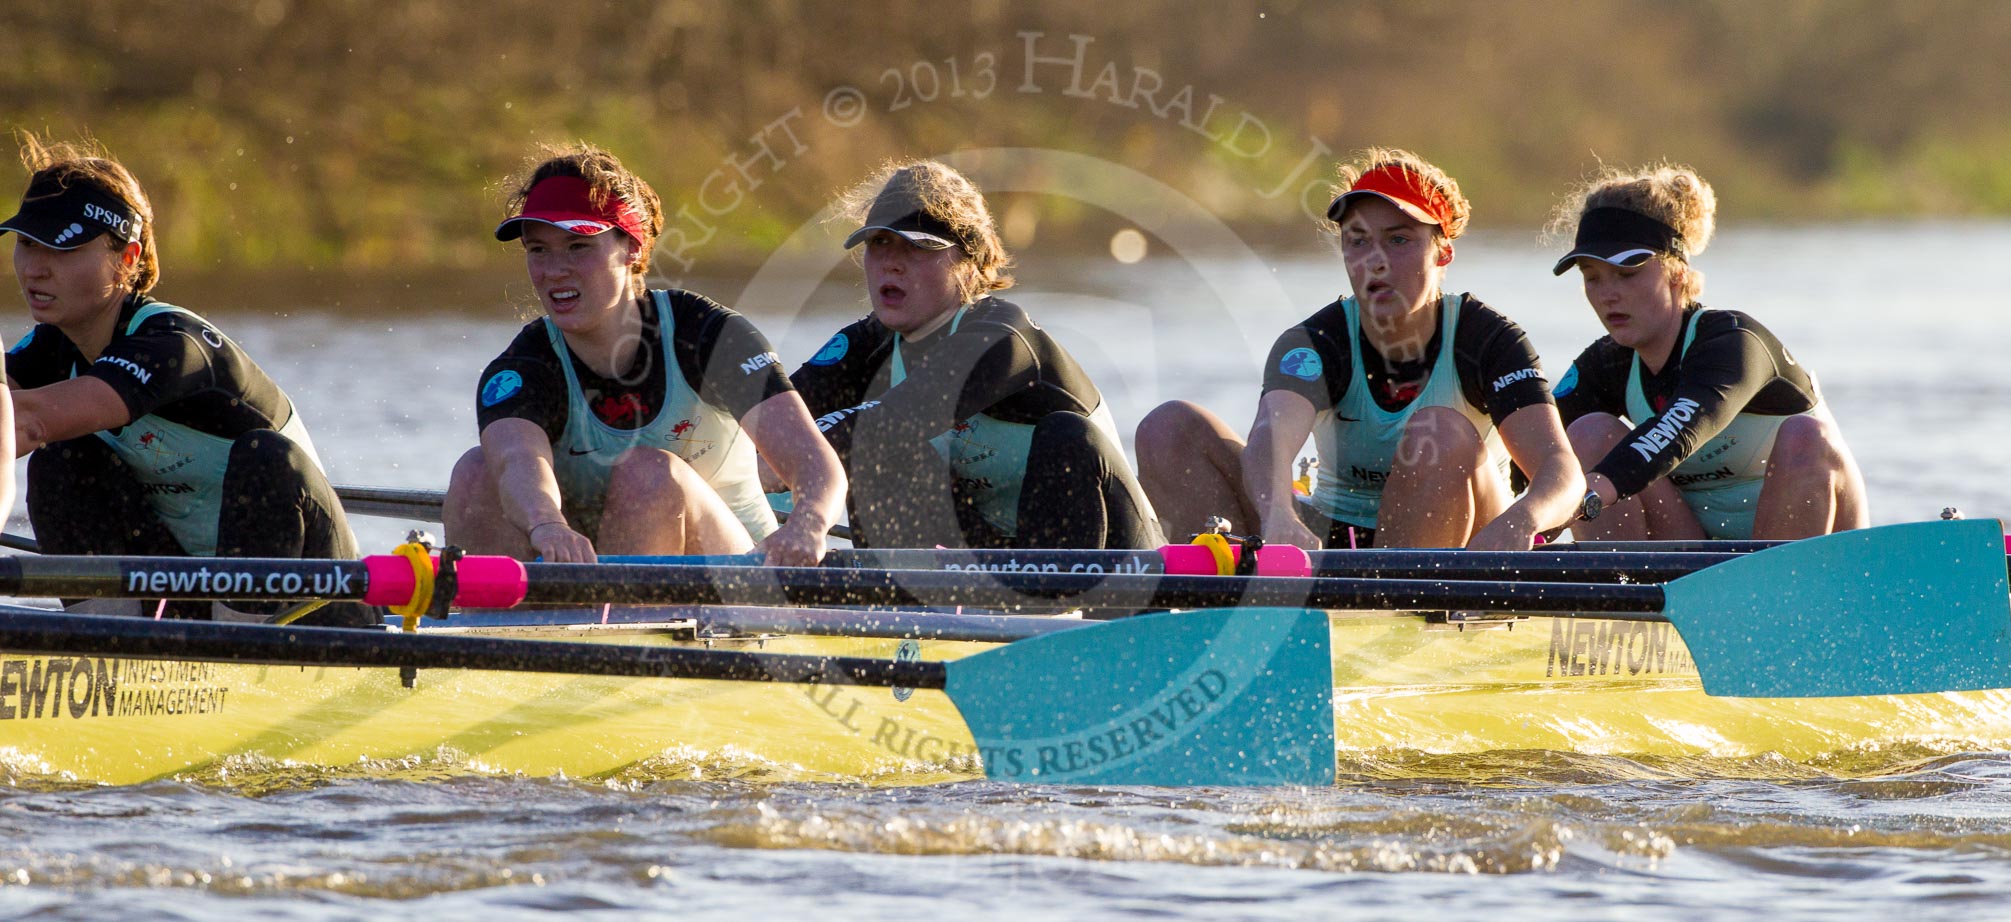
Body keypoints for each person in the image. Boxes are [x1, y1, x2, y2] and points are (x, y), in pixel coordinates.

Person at [1, 136, 371, 625]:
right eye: (28, 243)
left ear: (127, 258)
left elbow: (25, 423)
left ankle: (237, 660)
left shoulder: (174, 344)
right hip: (187, 595)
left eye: (63, 247)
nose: (35, 268)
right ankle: (107, 650)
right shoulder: (49, 348)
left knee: (267, 457)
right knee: (62, 463)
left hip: (313, 606)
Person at [1136, 148, 1583, 550]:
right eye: (1358, 241)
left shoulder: (1489, 341)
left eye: (1399, 240)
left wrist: (1524, 521)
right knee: (1169, 426)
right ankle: (1228, 612)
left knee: (1439, 432)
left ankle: (1401, 613)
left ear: (1442, 252)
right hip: (1334, 536)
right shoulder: (1316, 343)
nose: (1376, 260)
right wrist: (1278, 519)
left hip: (1467, 542)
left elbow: (1563, 471)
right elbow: (1268, 441)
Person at [445, 143, 844, 565]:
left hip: (742, 573)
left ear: (632, 247)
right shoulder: (523, 367)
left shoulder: (709, 336)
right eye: (538, 249)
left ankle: (612, 620)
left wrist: (809, 525)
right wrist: (547, 525)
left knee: (648, 473)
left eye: (577, 246)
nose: (553, 269)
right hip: (591, 576)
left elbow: (815, 463)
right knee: (475, 473)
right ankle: (498, 627)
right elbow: (515, 461)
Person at [785, 160, 1160, 550]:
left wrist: (793, 453)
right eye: (879, 242)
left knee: (1068, 435)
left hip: (1118, 559)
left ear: (969, 262)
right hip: (994, 567)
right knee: (877, 459)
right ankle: (903, 601)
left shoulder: (1004, 338)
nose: (891, 262)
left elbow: (897, 420)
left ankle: (1054, 605)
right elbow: (765, 414)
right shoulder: (866, 346)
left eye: (916, 246)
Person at [1548, 163, 1866, 540]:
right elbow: (1524, 469)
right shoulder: (1605, 364)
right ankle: (1621, 594)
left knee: (1806, 435)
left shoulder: (1735, 344)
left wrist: (1586, 497)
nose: (1607, 295)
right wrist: (1520, 520)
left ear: (1677, 273)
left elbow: (1678, 429)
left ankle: (1771, 592)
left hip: (1804, 551)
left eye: (1627, 274)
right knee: (1586, 435)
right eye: (1592, 277)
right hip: (1693, 553)